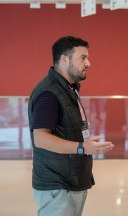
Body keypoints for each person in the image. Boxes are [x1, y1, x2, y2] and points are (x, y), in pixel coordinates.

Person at [28, 36, 114, 216]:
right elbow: (41, 138)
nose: (88, 63)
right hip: (58, 185)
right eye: (83, 58)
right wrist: (83, 147)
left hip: (69, 181)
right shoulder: (49, 92)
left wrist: (85, 142)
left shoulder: (67, 88)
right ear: (64, 59)